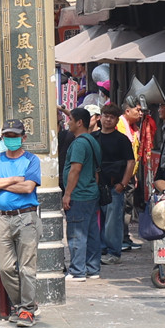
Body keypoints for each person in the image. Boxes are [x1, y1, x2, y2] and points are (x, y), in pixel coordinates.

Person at [0, 120, 43, 326]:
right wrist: (15, 179)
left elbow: (28, 188)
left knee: (26, 267)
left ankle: (26, 310)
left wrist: (0, 183)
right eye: (7, 136)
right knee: (5, 267)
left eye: (15, 136)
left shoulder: (32, 160)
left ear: (23, 137)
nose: (11, 139)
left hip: (26, 218)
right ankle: (22, 304)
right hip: (1, 217)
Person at [62, 108, 104, 282]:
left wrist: (67, 194)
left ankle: (77, 270)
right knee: (92, 232)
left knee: (77, 233)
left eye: (71, 120)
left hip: (79, 195)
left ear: (79, 122)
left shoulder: (79, 143)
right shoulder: (92, 140)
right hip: (91, 193)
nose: (68, 123)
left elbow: (75, 169)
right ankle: (92, 269)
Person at [95, 105, 136, 261]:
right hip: (96, 186)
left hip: (114, 187)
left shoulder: (122, 139)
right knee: (98, 220)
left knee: (113, 222)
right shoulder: (94, 137)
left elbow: (130, 162)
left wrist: (123, 184)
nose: (108, 120)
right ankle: (100, 250)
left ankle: (113, 253)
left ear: (117, 120)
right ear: (100, 117)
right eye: (106, 116)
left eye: (112, 117)